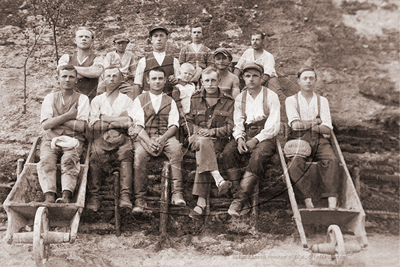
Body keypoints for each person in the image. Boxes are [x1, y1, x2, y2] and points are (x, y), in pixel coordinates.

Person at [220, 63, 280, 217]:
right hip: (246, 132)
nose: (251, 79)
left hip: (266, 134)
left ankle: (238, 200)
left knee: (258, 156)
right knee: (227, 153)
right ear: (243, 79)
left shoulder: (271, 96)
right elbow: (238, 121)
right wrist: (240, 139)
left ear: (261, 78)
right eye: (247, 76)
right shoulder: (241, 97)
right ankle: (239, 194)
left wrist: (256, 140)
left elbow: (273, 125)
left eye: (255, 76)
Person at [131, 67, 185, 212]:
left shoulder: (170, 100)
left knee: (176, 148)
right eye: (154, 78)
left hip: (165, 136)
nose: (157, 81)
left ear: (165, 80)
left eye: (160, 78)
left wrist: (162, 139)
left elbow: (174, 125)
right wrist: (149, 142)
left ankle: (177, 193)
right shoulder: (139, 99)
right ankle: (139, 199)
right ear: (147, 80)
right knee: (139, 155)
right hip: (144, 136)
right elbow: (138, 126)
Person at [285, 66, 340, 209]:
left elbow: (327, 128)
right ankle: (307, 199)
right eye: (305, 78)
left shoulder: (322, 101)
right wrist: (316, 121)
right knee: (295, 163)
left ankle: (332, 201)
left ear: (315, 81)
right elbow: (295, 126)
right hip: (299, 138)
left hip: (320, 139)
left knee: (332, 160)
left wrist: (306, 124)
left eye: (311, 78)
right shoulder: (291, 100)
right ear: (298, 81)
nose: (308, 81)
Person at [185, 67, 234, 219]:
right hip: (196, 140)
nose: (210, 84)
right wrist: (198, 130)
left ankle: (200, 204)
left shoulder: (228, 101)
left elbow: (231, 126)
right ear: (202, 82)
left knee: (204, 154)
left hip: (218, 142)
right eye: (207, 80)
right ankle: (218, 179)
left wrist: (213, 132)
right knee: (202, 143)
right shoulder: (194, 98)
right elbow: (187, 121)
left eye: (213, 80)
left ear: (219, 81)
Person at [37, 64, 90, 203]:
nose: (68, 80)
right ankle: (49, 195)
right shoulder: (49, 98)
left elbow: (81, 126)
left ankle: (67, 195)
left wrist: (56, 120)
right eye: (64, 76)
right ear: (58, 79)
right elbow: (45, 125)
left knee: (69, 159)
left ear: (76, 79)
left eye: (71, 77)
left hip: (73, 139)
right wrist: (69, 115)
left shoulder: (82, 99)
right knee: (47, 160)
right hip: (51, 139)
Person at [86, 66, 136, 211]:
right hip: (102, 138)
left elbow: (129, 122)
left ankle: (125, 196)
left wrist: (106, 119)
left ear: (121, 79)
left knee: (127, 152)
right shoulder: (97, 100)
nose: (112, 79)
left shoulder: (127, 100)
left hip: (122, 137)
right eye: (108, 76)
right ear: (103, 79)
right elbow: (94, 126)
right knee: (95, 154)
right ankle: (94, 197)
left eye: (115, 76)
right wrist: (118, 120)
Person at [133, 26, 180, 99]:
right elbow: (137, 84)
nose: (159, 39)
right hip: (148, 101)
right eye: (155, 36)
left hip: (168, 100)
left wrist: (175, 81)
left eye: (161, 36)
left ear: (166, 39)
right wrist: (136, 104)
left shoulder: (174, 61)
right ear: (151, 40)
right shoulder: (143, 61)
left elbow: (179, 83)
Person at [58, 27, 104, 101]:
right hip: (68, 99)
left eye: (87, 37)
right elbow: (62, 72)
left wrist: (71, 69)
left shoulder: (98, 58)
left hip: (90, 99)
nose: (83, 39)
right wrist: (88, 72)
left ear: (92, 42)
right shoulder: (66, 57)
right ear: (75, 40)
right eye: (80, 36)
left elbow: (97, 72)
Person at [97, 34, 136, 99]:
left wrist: (129, 77)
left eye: (123, 43)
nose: (121, 45)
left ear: (126, 44)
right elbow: (106, 69)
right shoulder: (110, 55)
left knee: (131, 92)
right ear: (114, 44)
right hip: (111, 78)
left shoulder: (130, 55)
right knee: (101, 89)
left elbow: (133, 70)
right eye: (119, 43)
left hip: (124, 80)